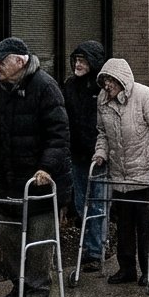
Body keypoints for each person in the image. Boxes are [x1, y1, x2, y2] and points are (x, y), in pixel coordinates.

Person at [0, 37, 71, 297]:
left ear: (20, 60)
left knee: (38, 240)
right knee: (10, 236)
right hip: (10, 176)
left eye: (1, 62)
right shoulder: (0, 91)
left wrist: (46, 168)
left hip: (39, 180)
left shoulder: (45, 87)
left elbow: (59, 136)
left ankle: (38, 290)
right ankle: (19, 285)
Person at [93, 58, 149, 285]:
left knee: (147, 226)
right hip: (120, 175)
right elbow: (103, 132)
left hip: (148, 175)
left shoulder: (144, 96)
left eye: (110, 81)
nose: (107, 85)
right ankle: (126, 269)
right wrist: (100, 153)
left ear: (122, 81)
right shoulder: (103, 100)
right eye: (104, 81)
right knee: (124, 226)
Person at [64, 41, 108, 273]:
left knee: (98, 204)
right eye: (77, 60)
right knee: (82, 204)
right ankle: (90, 246)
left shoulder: (101, 88)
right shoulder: (70, 86)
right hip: (77, 153)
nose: (78, 65)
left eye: (83, 61)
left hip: (98, 155)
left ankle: (95, 249)